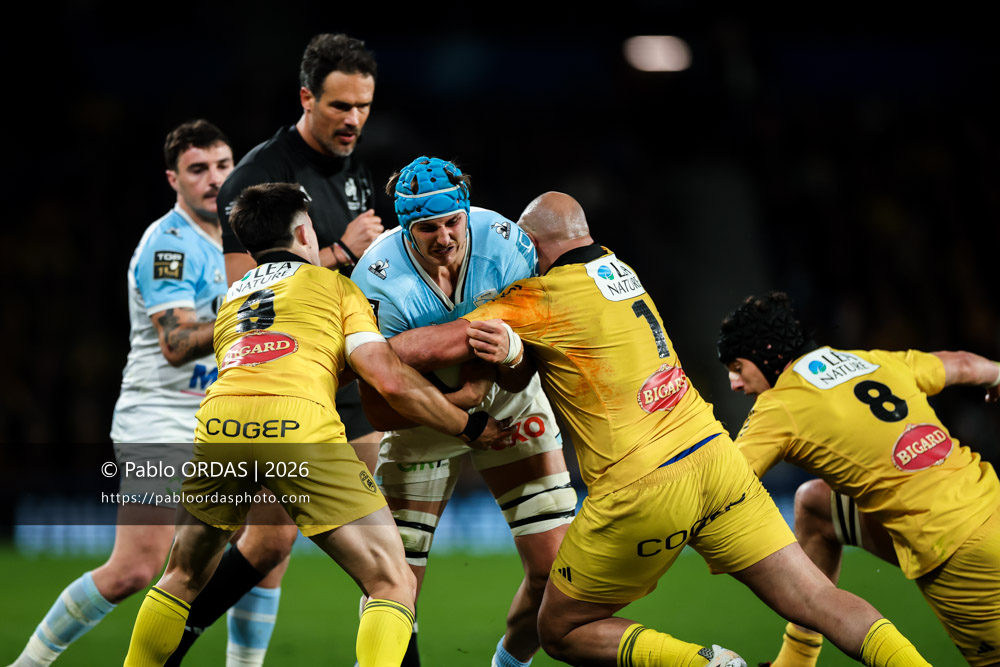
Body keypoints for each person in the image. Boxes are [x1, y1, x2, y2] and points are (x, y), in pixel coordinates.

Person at [385, 192, 934, 667]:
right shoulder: (620, 271)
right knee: (818, 598)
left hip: (641, 482)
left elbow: (423, 347)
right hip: (715, 459)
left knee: (562, 630)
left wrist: (357, 341)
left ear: (532, 246)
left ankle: (705, 663)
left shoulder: (542, 298)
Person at [121, 182, 514, 667]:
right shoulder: (335, 287)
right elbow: (389, 380)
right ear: (305, 232)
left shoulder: (233, 300)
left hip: (220, 424)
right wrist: (468, 425)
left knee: (180, 576)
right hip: (298, 425)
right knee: (392, 581)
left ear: (249, 248)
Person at [165, 32, 386, 664]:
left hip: (341, 380)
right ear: (306, 98)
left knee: (313, 542)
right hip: (285, 382)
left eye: (363, 106)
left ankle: (176, 642)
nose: (354, 120)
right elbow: (244, 297)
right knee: (281, 544)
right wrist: (342, 250)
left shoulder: (354, 170)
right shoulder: (260, 175)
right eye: (340, 106)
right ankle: (176, 639)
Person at [4, 120, 234, 667]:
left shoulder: (237, 238)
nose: (214, 180)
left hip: (221, 418)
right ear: (172, 179)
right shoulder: (169, 246)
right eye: (198, 170)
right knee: (135, 568)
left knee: (263, 551)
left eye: (223, 166)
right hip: (162, 420)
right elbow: (177, 343)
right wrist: (244, 317)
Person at [349, 157, 577, 667]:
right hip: (422, 423)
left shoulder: (509, 244)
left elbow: (527, 368)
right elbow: (379, 410)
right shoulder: (376, 279)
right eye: (427, 228)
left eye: (452, 221)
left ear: (465, 208)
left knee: (558, 573)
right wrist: (463, 406)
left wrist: (481, 370)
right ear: (405, 226)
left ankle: (506, 665)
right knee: (393, 584)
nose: (444, 237)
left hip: (512, 409)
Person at [717, 290, 1000, 667]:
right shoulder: (871, 361)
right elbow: (964, 364)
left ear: (767, 351)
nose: (736, 384)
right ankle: (795, 661)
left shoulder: (778, 405)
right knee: (815, 504)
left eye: (737, 368)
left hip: (958, 552)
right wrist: (996, 377)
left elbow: (721, 482)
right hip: (989, 502)